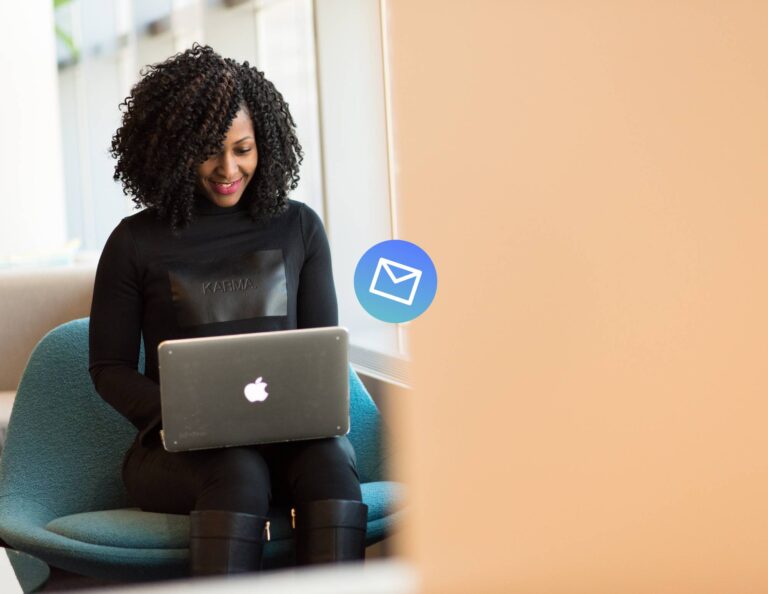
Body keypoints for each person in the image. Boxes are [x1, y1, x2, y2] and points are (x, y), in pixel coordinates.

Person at [88, 44, 367, 576]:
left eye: (244, 149)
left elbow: (319, 352)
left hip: (291, 440)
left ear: (266, 144)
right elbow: (109, 370)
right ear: (172, 149)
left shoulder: (300, 227)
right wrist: (190, 417)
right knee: (238, 470)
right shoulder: (133, 242)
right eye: (209, 151)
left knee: (330, 465)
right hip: (180, 452)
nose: (227, 169)